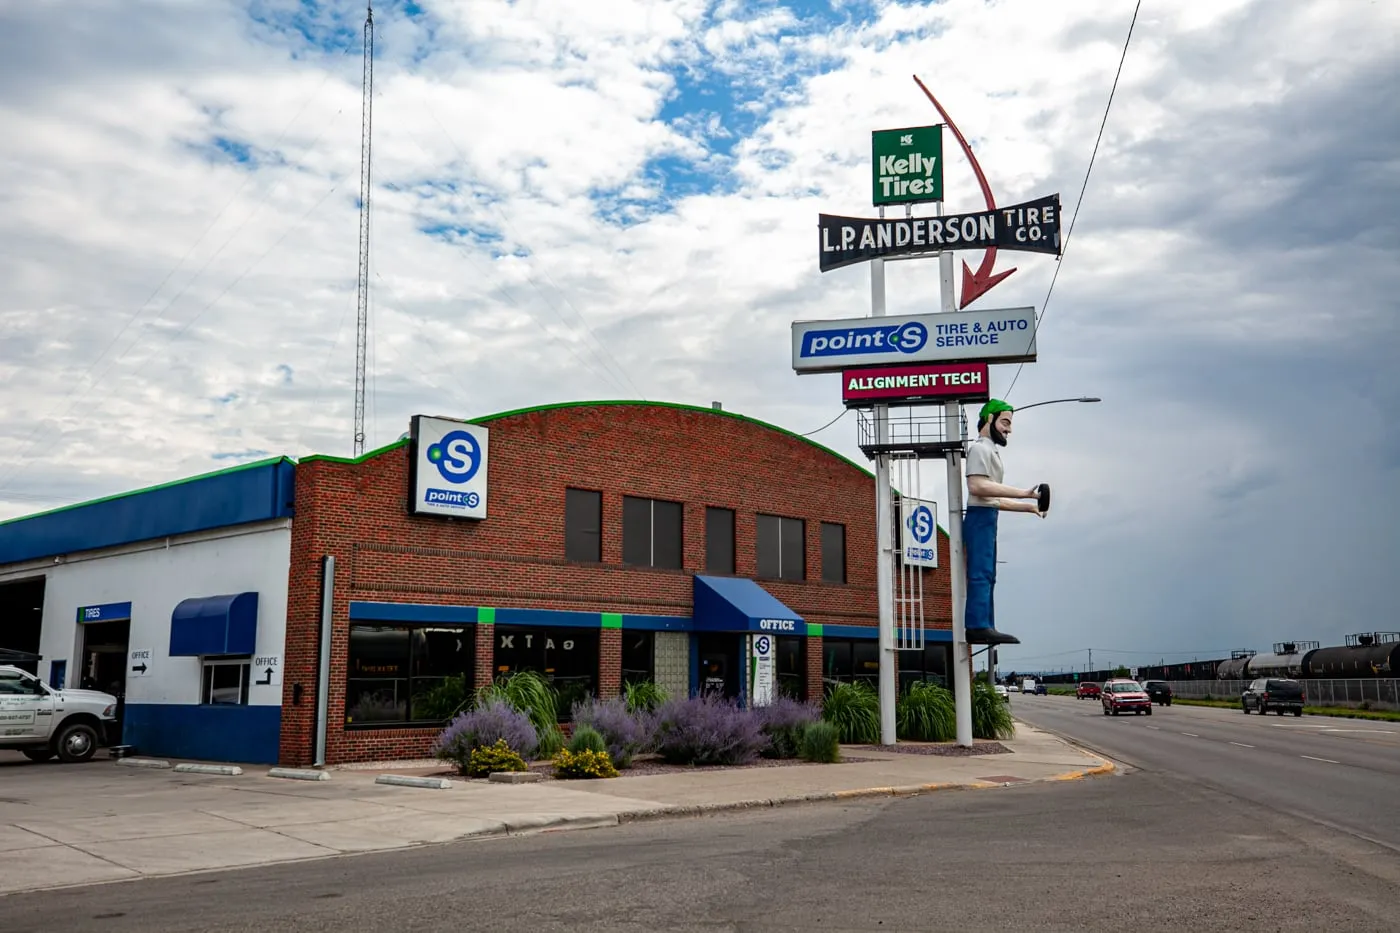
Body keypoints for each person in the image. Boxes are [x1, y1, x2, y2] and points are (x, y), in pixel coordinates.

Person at [962, 399, 1049, 646]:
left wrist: (1029, 506)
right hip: (979, 518)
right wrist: (1022, 492)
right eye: (1005, 422)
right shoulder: (980, 449)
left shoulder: (991, 451)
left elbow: (994, 498)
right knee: (980, 572)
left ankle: (986, 623)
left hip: (989, 516)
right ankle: (977, 624)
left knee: (989, 573)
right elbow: (977, 486)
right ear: (989, 419)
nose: (1008, 429)